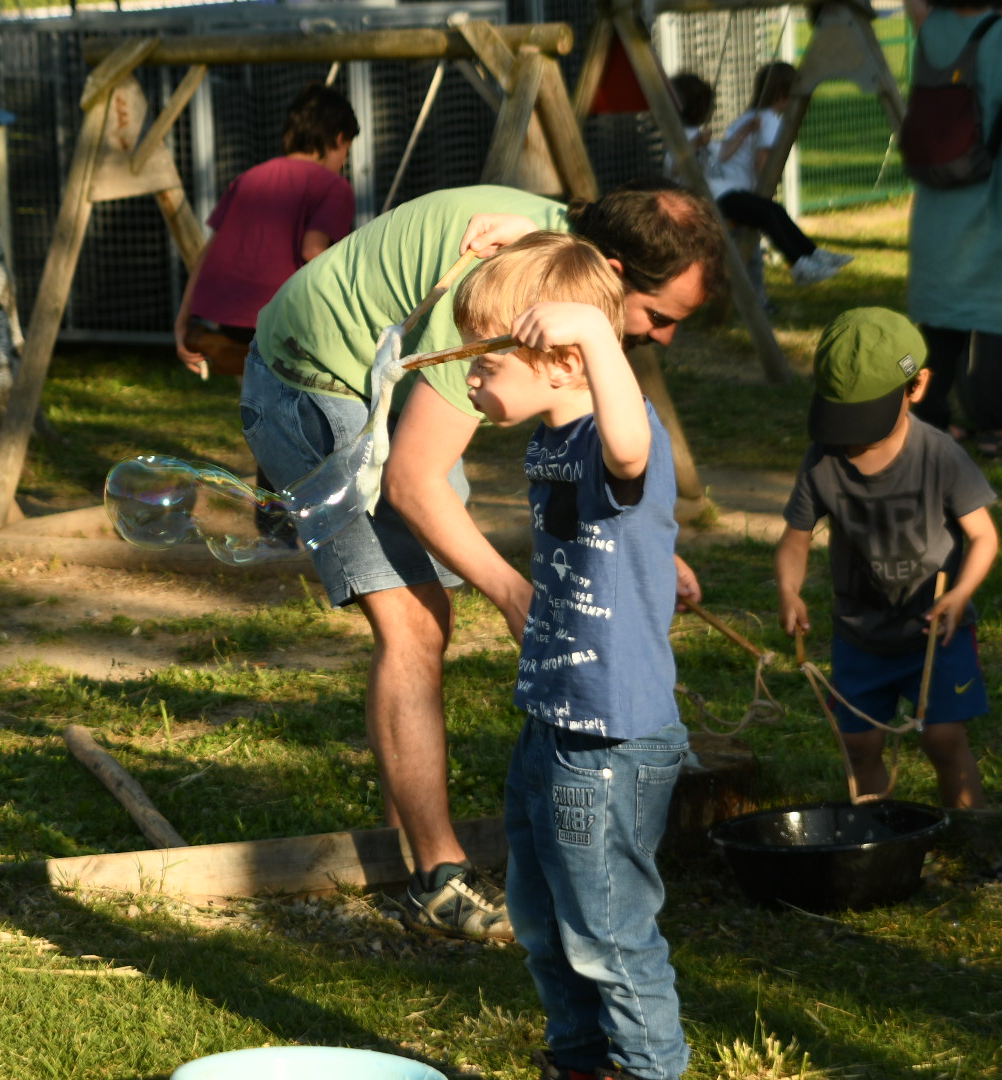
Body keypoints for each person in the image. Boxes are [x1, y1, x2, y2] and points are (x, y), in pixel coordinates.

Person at [241, 179, 720, 939]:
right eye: (658, 318)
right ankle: (436, 879)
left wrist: (646, 552)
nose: (660, 339)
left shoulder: (561, 266)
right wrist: (511, 591)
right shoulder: (513, 287)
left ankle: (405, 841)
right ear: (613, 275)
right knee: (415, 621)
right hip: (314, 377)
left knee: (426, 616)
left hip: (384, 381)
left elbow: (607, 458)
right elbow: (413, 481)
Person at [456, 231, 691, 1080]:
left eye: (485, 363)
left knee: (608, 932)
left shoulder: (609, 433)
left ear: (561, 362)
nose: (470, 380)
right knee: (542, 918)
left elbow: (631, 457)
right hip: (551, 722)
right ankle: (580, 1060)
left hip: (609, 741)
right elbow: (619, 520)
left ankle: (649, 1069)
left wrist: (596, 332)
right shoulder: (553, 435)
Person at [775, 309, 998, 809]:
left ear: (917, 386)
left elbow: (984, 536)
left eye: (866, 417)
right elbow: (795, 539)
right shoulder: (823, 459)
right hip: (861, 634)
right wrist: (788, 589)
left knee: (943, 738)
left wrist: (961, 593)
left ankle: (969, 831)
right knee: (858, 743)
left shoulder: (940, 455)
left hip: (935, 632)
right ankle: (874, 834)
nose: (853, 434)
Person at [906, 0, 1002, 458]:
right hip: (1000, 193)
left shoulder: (931, 30)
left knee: (940, 325)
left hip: (938, 201)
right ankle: (997, 427)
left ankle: (929, 419)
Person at [173, 83, 358, 379]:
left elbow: (208, 252)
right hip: (287, 325)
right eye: (348, 149)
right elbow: (313, 250)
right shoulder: (334, 186)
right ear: (339, 138)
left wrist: (182, 321)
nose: (345, 160)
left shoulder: (248, 178)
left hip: (228, 322)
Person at [678, 64, 853, 287]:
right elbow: (675, 166)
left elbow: (723, 153)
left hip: (725, 192)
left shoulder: (699, 134)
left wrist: (744, 131)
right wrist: (695, 145)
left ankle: (811, 253)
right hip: (711, 200)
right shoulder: (680, 136)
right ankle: (799, 264)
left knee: (774, 211)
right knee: (767, 216)